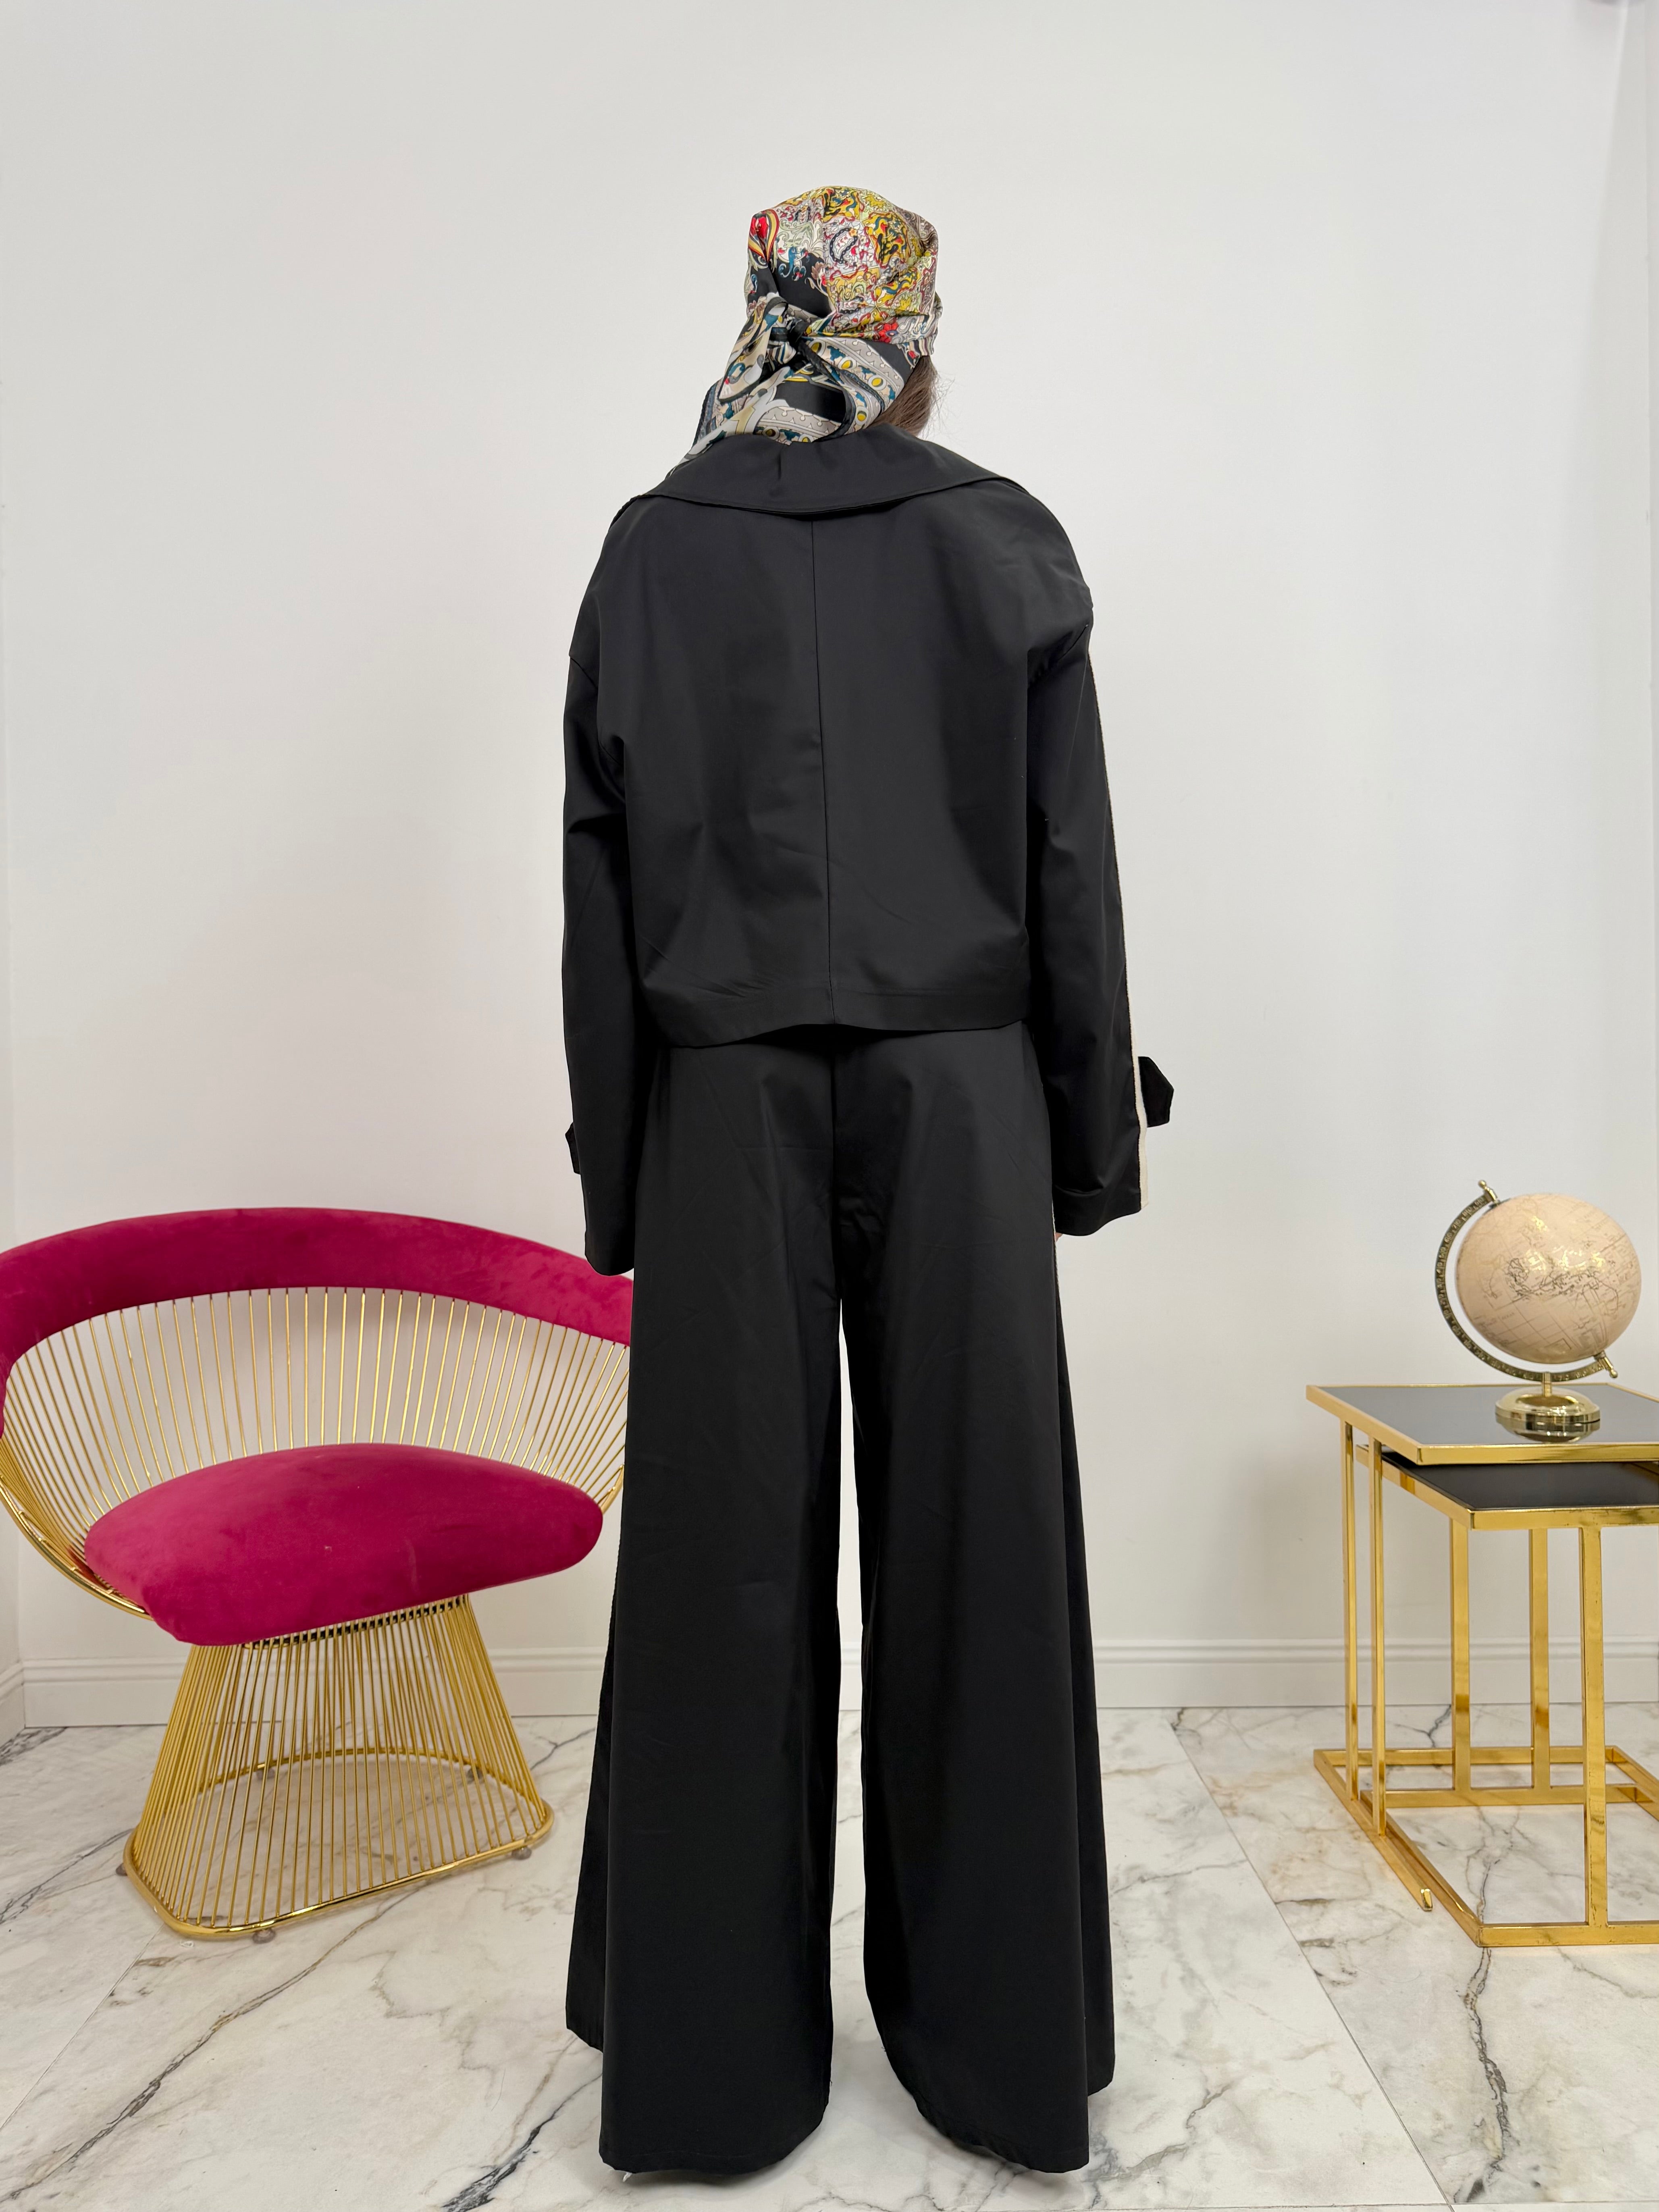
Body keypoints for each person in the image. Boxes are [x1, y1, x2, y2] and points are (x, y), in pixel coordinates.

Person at [561, 185, 1165, 2178]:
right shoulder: (999, 537)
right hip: (962, 1093)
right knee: (983, 1552)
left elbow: (597, 878)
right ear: (912, 333)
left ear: (756, 314)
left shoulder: (653, 545)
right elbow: (1068, 863)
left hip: (722, 1097)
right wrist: (1084, 1142)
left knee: (721, 1568)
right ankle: (1004, 2054)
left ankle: (707, 2076)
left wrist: (622, 1174)